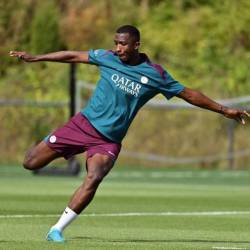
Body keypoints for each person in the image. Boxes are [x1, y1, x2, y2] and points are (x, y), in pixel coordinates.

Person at [9, 25, 249, 243]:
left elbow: (187, 94)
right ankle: (62, 149)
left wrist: (224, 109)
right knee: (30, 162)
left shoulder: (155, 74)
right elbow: (72, 55)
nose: (118, 48)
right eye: (116, 43)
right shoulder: (107, 58)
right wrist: (36, 57)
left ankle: (56, 230)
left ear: (136, 45)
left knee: (94, 177)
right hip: (81, 126)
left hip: (108, 140)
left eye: (123, 44)